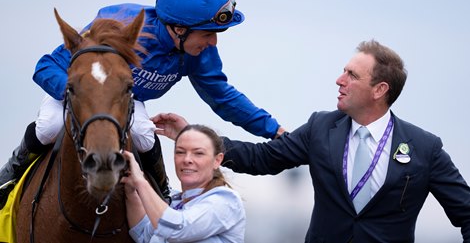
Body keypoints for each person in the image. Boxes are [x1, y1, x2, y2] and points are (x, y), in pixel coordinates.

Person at [0, 0, 285, 208]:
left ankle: (162, 192)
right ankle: (8, 177)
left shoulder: (196, 52)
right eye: (208, 33)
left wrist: (275, 130)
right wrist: (79, 93)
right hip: (77, 94)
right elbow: (45, 66)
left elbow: (223, 97)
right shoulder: (120, 27)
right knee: (48, 126)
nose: (213, 43)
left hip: (123, 101)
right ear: (178, 29)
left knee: (144, 134)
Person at [153, 40, 470, 242]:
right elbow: (262, 158)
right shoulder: (321, 127)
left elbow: (466, 212)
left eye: (352, 75)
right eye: (342, 71)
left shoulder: (425, 148)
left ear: (380, 90)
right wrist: (195, 140)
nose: (339, 80)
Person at [121, 124, 245, 243]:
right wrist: (131, 192)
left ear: (217, 160)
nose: (187, 160)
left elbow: (176, 229)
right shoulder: (174, 203)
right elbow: (144, 235)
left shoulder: (226, 201)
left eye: (198, 153)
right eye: (180, 152)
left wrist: (141, 182)